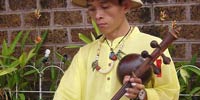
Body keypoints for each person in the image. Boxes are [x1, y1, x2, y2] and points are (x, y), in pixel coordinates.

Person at [53, 0, 180, 100]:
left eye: (105, 6)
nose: (97, 15)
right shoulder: (84, 54)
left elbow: (169, 92)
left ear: (125, 6)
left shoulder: (151, 45)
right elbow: (65, 95)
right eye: (92, 9)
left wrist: (143, 95)